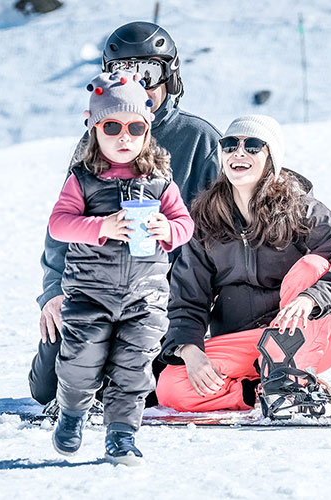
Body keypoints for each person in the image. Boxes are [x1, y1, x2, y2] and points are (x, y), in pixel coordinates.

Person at [28, 21, 221, 411]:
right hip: (95, 285)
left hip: (161, 292)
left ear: (171, 77)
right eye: (123, 72)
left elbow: (216, 231)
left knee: (145, 386)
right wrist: (54, 292)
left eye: (148, 73)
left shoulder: (198, 139)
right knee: (47, 386)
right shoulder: (96, 139)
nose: (138, 84)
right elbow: (62, 225)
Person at [154, 115, 331, 416]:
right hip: (249, 342)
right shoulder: (205, 220)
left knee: (313, 266)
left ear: (272, 158)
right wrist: (189, 350)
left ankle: (292, 379)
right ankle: (261, 392)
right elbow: (187, 298)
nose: (239, 152)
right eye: (230, 145)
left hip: (308, 332)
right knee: (171, 386)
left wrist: (311, 299)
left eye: (253, 146)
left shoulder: (302, 210)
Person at [47, 70, 194, 463]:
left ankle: (122, 435)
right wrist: (101, 226)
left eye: (134, 127)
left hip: (145, 298)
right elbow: (58, 224)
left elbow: (186, 224)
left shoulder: (161, 183)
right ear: (95, 129)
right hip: (89, 294)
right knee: (80, 362)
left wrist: (168, 228)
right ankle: (72, 412)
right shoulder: (83, 180)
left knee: (134, 369)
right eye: (112, 126)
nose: (124, 136)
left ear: (147, 131)